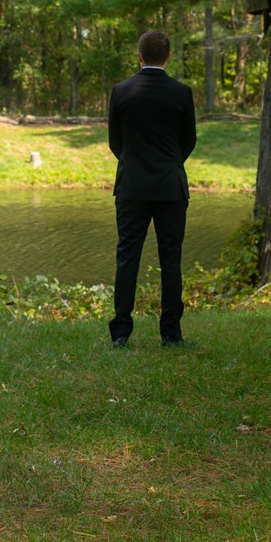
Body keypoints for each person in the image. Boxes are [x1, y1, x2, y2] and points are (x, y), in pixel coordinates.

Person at [108, 30, 197, 348]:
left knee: (127, 257)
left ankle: (121, 332)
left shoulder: (121, 91)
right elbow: (189, 141)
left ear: (139, 56)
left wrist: (134, 164)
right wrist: (169, 164)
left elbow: (115, 141)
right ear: (168, 56)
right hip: (170, 187)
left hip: (132, 186)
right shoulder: (181, 92)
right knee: (171, 260)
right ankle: (171, 333)